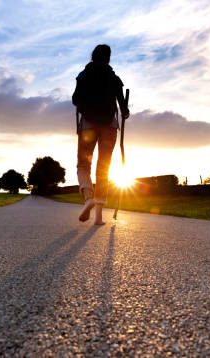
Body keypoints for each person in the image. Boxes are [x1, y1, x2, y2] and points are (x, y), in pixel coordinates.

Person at [72, 44, 130, 225]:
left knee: (83, 164)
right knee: (103, 167)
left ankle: (88, 197)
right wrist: (125, 112)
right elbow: (123, 107)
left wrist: (84, 105)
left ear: (93, 56)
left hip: (88, 124)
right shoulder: (114, 78)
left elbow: (75, 99)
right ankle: (98, 217)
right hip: (109, 126)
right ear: (108, 58)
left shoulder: (83, 75)